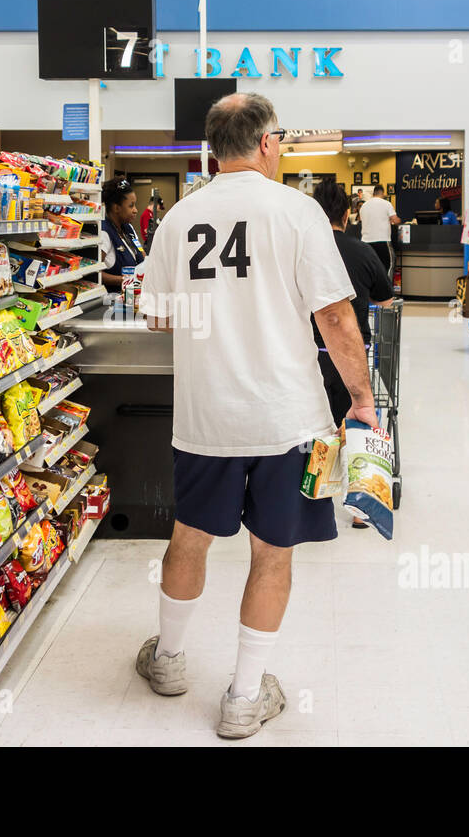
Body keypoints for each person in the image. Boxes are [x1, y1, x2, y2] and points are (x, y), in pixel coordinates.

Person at [136, 92, 377, 739]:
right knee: (273, 553)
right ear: (268, 143)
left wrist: (212, 314)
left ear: (212, 148)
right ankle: (244, 697)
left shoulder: (177, 219)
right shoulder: (297, 213)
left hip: (205, 417)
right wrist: (360, 398)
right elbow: (335, 317)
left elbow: (157, 315)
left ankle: (168, 662)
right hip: (286, 420)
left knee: (190, 536)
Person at [310, 181, 394, 528]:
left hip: (309, 353)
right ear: (348, 214)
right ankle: (361, 503)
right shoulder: (362, 251)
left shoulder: (305, 251)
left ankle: (314, 493)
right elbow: (385, 300)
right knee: (354, 419)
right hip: (351, 353)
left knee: (316, 420)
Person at [99, 176, 146, 291]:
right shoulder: (104, 232)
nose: (135, 210)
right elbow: (94, 273)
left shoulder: (128, 228)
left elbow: (142, 254)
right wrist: (124, 280)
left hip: (135, 296)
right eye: (131, 206)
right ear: (116, 208)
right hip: (113, 300)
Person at [360, 183, 400, 274]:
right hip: (382, 241)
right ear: (382, 193)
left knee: (370, 270)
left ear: (373, 193)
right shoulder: (386, 204)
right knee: (388, 267)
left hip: (366, 243)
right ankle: (386, 288)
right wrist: (396, 220)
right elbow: (396, 220)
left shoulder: (364, 206)